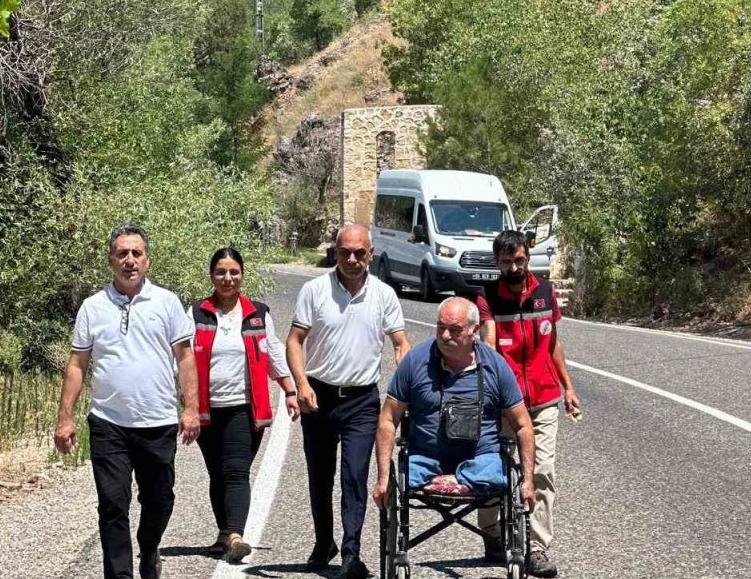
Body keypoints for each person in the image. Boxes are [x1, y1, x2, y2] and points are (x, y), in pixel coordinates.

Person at [54, 226, 200, 579]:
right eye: (122, 254)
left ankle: (149, 548)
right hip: (108, 424)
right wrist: (65, 418)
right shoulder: (93, 307)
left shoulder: (167, 303)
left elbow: (185, 357)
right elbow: (77, 364)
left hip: (158, 422)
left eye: (136, 254)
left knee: (160, 500)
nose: (129, 261)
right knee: (112, 505)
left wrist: (191, 409)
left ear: (147, 260)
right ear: (111, 261)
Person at [286, 224, 411, 579]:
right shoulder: (314, 290)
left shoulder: (384, 294)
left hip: (362, 401)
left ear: (370, 253)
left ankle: (351, 554)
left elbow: (400, 343)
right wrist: (301, 384)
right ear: (335, 252)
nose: (352, 259)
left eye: (360, 253)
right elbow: (295, 341)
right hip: (319, 397)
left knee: (355, 477)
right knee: (320, 477)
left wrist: (403, 374)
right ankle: (323, 541)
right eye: (345, 253)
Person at [476, 229, 580, 578]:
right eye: (507, 262)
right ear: (497, 262)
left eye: (519, 260)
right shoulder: (488, 296)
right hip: (507, 402)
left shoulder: (546, 293)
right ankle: (491, 533)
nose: (515, 267)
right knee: (496, 470)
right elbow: (489, 345)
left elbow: (554, 344)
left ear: (527, 256)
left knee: (542, 471)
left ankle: (537, 547)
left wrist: (568, 387)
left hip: (544, 396)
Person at [372, 296, 535, 509]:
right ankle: (462, 480)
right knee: (406, 476)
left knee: (497, 473)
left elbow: (523, 425)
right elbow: (387, 419)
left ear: (475, 331)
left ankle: (463, 477)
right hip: (427, 456)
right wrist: (383, 479)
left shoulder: (496, 366)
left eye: (455, 330)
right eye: (441, 328)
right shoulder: (415, 361)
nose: (445, 336)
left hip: (480, 459)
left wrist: (528, 482)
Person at [191, 247, 299, 562]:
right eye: (221, 272)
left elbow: (273, 353)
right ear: (212, 276)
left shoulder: (257, 313)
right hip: (206, 408)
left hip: (244, 407)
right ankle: (224, 533)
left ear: (242, 275)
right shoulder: (196, 312)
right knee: (217, 474)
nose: (228, 278)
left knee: (236, 471)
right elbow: (182, 359)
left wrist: (289, 389)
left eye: (234, 272)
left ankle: (237, 536)